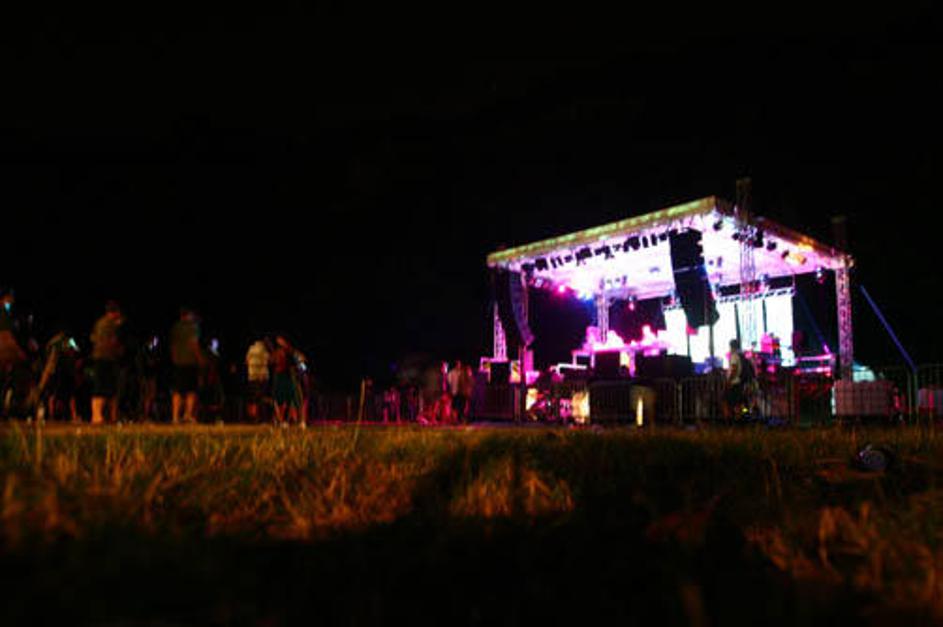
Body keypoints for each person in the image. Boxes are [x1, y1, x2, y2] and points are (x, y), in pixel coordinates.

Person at [89, 301, 124, 424]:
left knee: (104, 387)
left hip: (99, 356)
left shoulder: (99, 323)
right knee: (102, 387)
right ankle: (97, 416)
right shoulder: (110, 324)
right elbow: (113, 341)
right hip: (106, 358)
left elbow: (93, 338)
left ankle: (102, 415)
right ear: (115, 312)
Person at [169, 307, 204, 424]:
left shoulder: (175, 327)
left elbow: (172, 345)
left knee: (177, 390)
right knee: (191, 390)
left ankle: (175, 416)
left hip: (178, 362)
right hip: (190, 362)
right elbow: (194, 344)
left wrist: (174, 358)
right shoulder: (193, 327)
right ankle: (188, 415)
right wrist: (200, 358)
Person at [38, 330, 81, 423]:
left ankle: (52, 415)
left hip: (57, 371)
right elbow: (76, 350)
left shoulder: (54, 342)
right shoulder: (68, 340)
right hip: (63, 370)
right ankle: (73, 415)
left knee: (54, 395)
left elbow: (48, 353)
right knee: (68, 395)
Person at [271, 335, 302, 427]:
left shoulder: (291, 352)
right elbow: (272, 361)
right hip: (279, 376)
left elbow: (300, 362)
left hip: (288, 376)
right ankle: (279, 420)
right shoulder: (277, 353)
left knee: (290, 399)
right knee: (278, 399)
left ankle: (288, 420)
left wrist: (300, 370)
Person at [725, 339, 755, 420]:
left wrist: (729, 380)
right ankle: (744, 414)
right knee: (740, 402)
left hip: (734, 382)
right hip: (741, 382)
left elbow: (734, 369)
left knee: (730, 401)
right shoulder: (741, 356)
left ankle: (735, 418)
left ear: (731, 347)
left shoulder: (734, 356)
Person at [245, 338, 271, 422]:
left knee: (253, 398)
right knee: (261, 397)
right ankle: (262, 416)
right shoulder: (264, 350)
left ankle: (254, 417)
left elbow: (246, 361)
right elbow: (266, 362)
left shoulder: (251, 349)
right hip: (261, 376)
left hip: (252, 376)